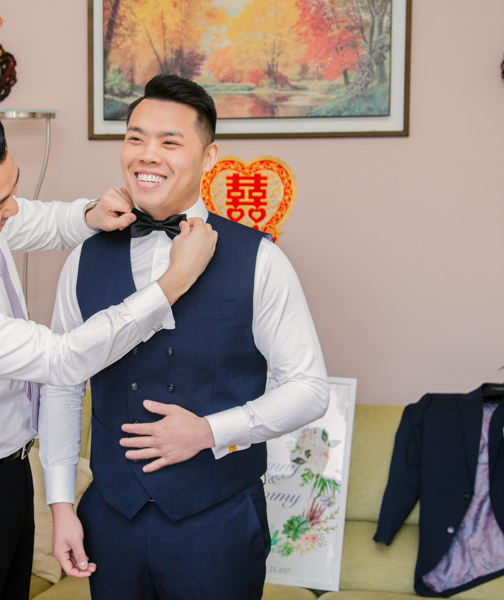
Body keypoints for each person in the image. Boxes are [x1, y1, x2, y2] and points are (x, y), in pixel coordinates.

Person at [0, 103, 218, 600]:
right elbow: (62, 359)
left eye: (13, 187)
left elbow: (30, 221)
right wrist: (172, 283)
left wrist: (88, 214)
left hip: (9, 470)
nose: (13, 209)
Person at [41, 75, 329, 600]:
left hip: (218, 523)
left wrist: (209, 432)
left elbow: (310, 389)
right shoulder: (83, 257)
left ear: (208, 155)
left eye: (170, 141)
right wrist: (61, 506)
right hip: (112, 520)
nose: (147, 154)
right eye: (135, 138)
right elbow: (60, 385)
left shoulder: (260, 258)